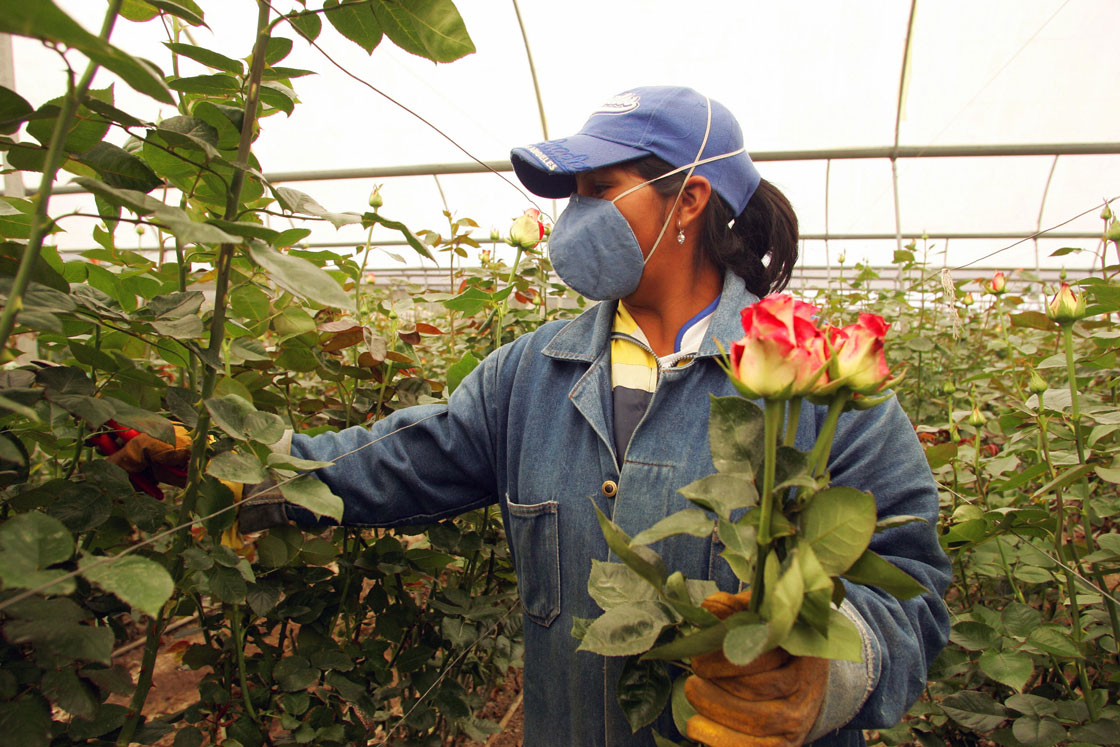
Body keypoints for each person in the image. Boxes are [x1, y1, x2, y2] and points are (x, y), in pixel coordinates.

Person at [121, 86, 952, 746]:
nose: (573, 219)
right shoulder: (530, 372)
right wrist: (227, 461)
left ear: (689, 200)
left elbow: (911, 585)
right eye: (571, 197)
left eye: (599, 190)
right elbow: (392, 459)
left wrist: (824, 680)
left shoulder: (814, 383)